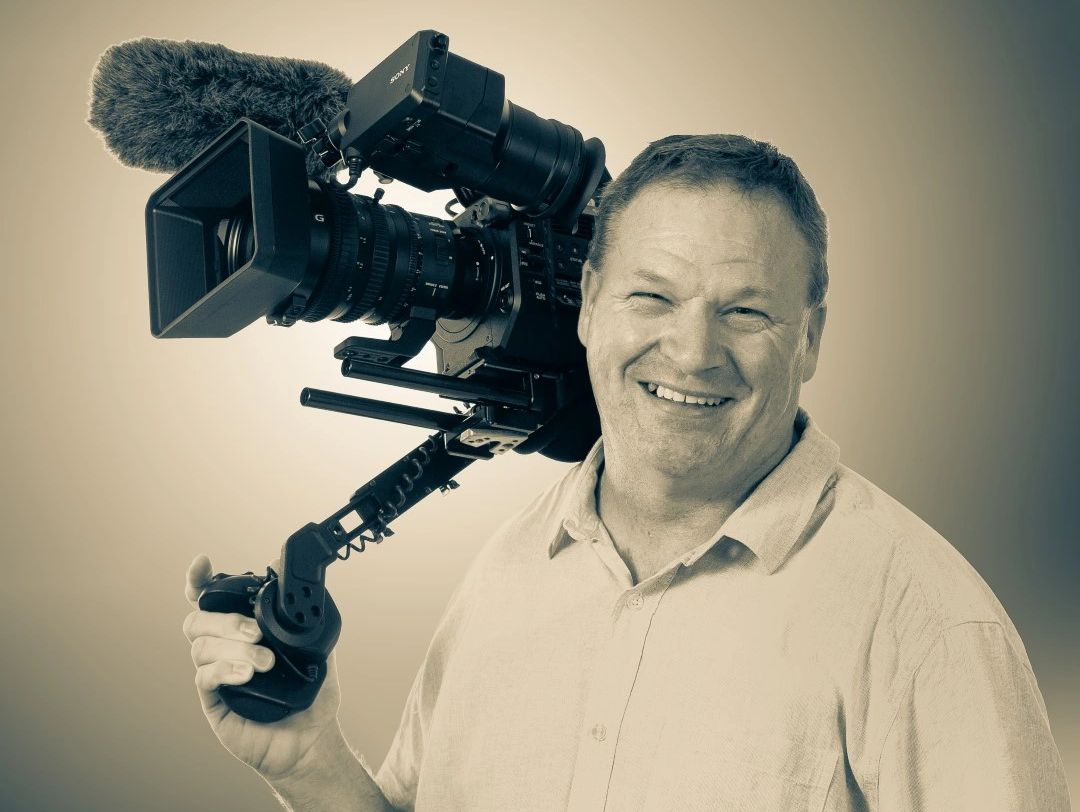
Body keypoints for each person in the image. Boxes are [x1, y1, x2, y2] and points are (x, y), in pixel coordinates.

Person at [184, 134, 1071, 811]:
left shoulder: (924, 623)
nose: (692, 351)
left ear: (810, 340)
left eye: (746, 311)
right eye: (652, 296)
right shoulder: (506, 573)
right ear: (589, 307)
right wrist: (313, 766)